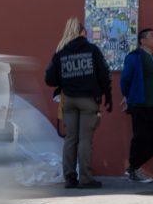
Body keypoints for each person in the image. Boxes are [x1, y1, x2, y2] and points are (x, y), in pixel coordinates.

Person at [45, 17, 112, 189]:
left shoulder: (61, 52)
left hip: (68, 100)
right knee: (85, 140)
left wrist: (65, 80)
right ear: (82, 32)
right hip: (88, 101)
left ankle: (69, 177)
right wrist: (108, 96)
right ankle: (86, 178)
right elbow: (103, 75)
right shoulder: (92, 50)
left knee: (70, 139)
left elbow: (49, 79)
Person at [120, 28, 153, 183]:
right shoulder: (135, 57)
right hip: (140, 104)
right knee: (141, 137)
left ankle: (134, 166)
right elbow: (126, 79)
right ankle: (134, 168)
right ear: (143, 40)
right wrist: (128, 96)